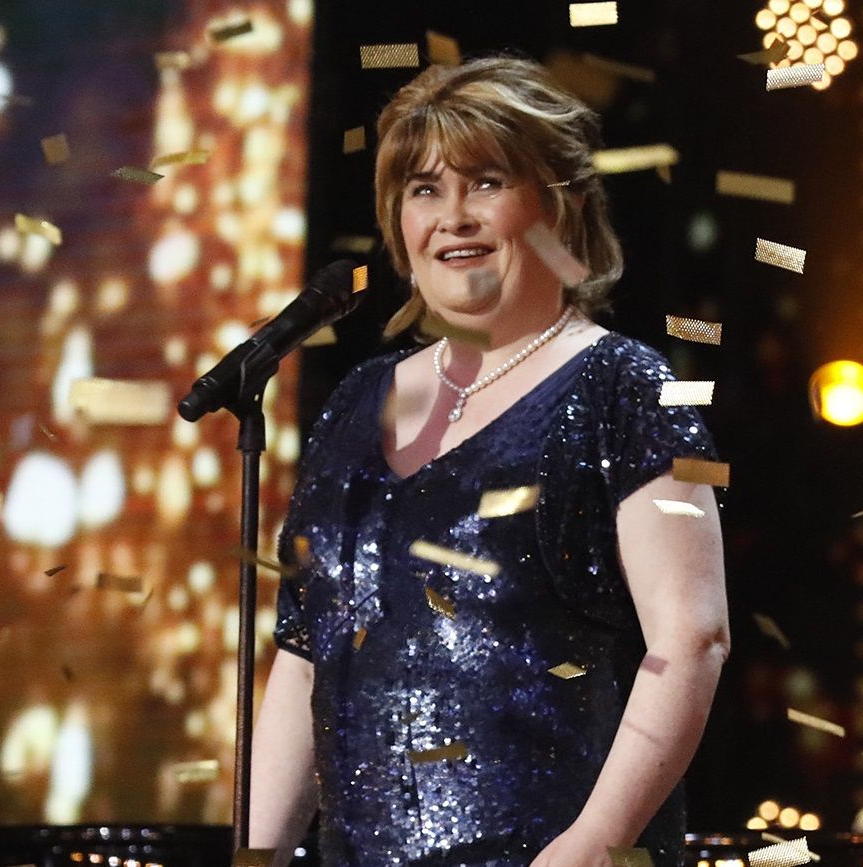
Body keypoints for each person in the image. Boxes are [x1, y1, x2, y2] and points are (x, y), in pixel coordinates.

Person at [249, 55, 729, 867]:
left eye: (486, 183)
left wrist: (592, 845)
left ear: (560, 206)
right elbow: (304, 660)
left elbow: (692, 640)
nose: (452, 217)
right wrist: (253, 858)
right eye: (424, 189)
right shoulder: (356, 403)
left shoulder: (625, 387)